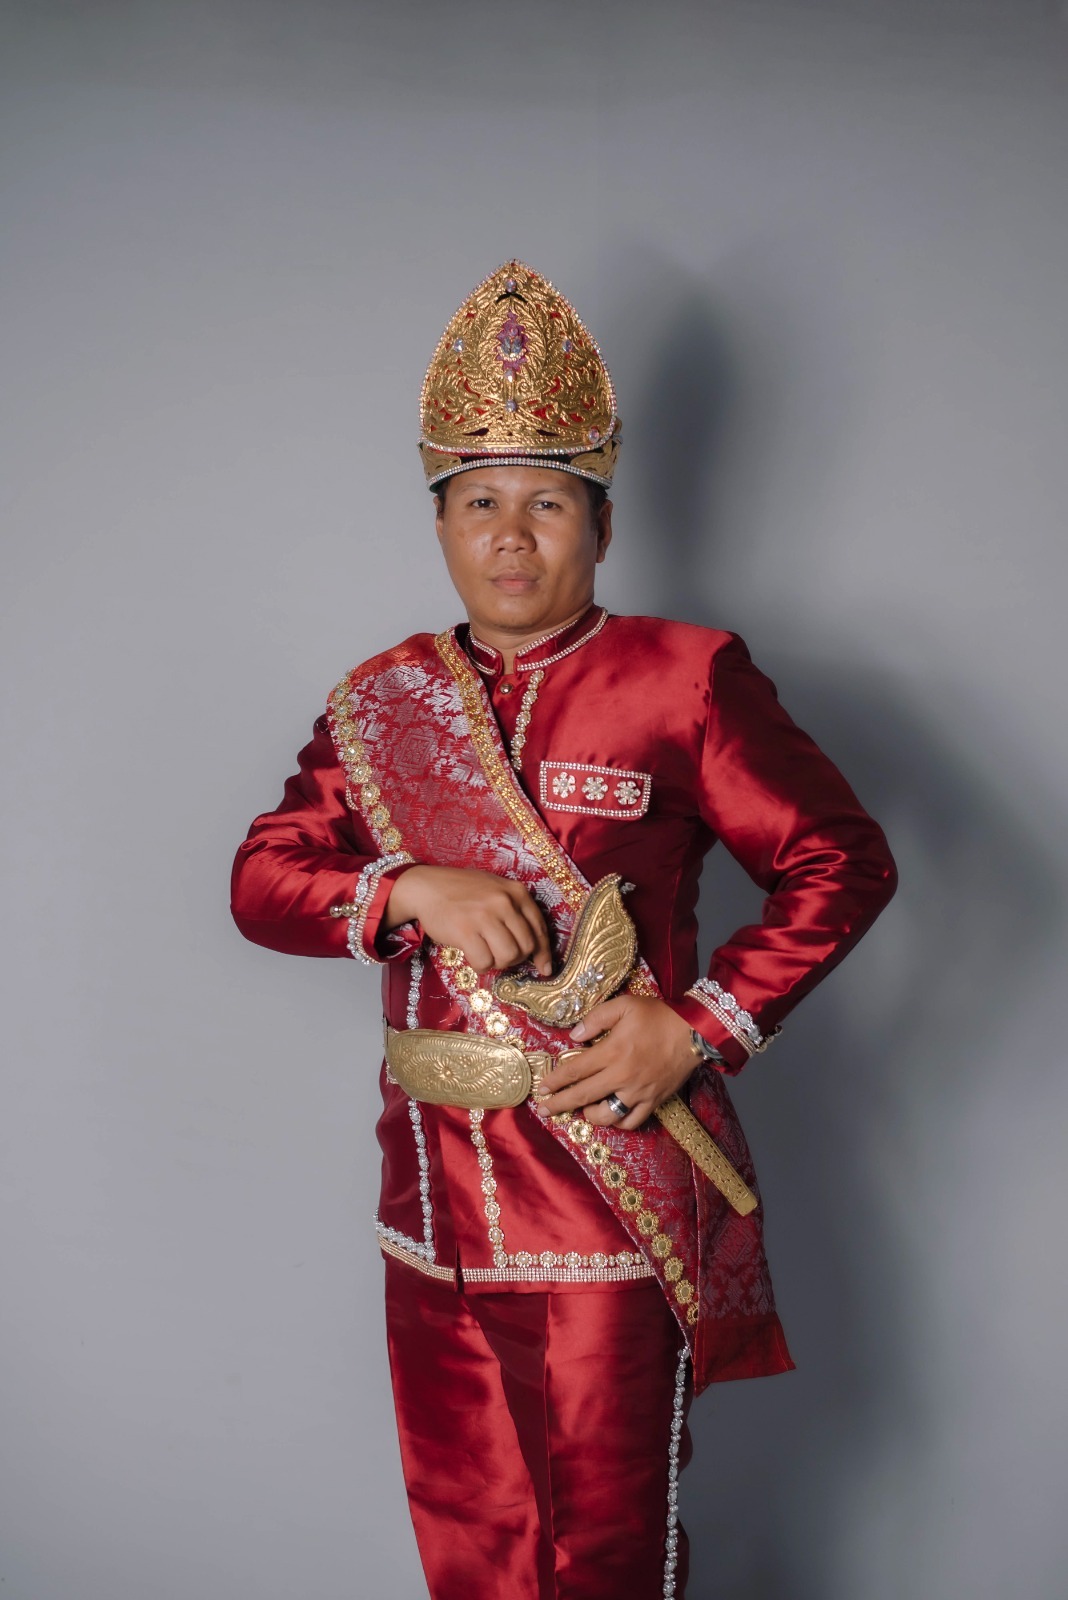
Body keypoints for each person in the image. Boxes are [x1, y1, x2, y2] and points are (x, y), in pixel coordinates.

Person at [231, 259, 897, 1600]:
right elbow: (263, 881)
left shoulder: (684, 677)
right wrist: (407, 889)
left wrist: (699, 1027)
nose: (511, 536)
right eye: (480, 502)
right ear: (440, 522)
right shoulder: (382, 699)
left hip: (605, 1187)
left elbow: (841, 862)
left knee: (604, 1554)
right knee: (468, 1541)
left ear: (601, 521)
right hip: (428, 1198)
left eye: (546, 502)